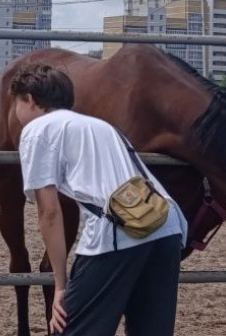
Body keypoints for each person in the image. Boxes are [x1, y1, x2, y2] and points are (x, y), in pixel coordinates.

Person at [13, 62, 187, 336]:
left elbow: (49, 213)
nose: (16, 113)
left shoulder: (37, 130)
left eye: (16, 104)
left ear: (30, 99)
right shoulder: (100, 126)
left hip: (121, 229)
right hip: (167, 224)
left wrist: (60, 285)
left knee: (69, 329)